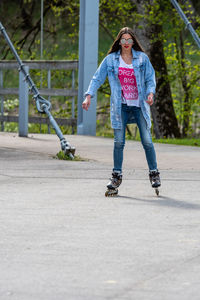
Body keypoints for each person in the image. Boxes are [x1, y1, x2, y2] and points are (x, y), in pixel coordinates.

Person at [82, 27, 161, 193]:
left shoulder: (142, 59)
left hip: (139, 105)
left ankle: (154, 173)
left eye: (129, 40)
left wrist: (150, 94)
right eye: (123, 40)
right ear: (119, 42)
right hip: (121, 107)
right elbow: (97, 77)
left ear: (133, 42)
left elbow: (150, 78)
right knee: (119, 142)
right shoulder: (111, 60)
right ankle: (116, 176)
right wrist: (88, 95)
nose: (126, 43)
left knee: (147, 140)